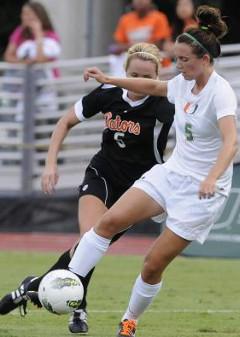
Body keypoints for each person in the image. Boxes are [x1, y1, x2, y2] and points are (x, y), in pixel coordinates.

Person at [64, 5, 237, 337]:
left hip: (202, 192)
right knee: (108, 222)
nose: (177, 65)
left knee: (153, 264)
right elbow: (155, 87)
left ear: (204, 59)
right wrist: (109, 80)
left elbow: (231, 143)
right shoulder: (183, 83)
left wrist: (212, 176)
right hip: (171, 173)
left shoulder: (221, 92)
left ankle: (129, 321)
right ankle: (68, 281)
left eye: (183, 59)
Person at [0, 42, 174, 334]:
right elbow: (65, 121)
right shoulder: (108, 94)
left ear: (158, 77)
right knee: (89, 239)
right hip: (101, 174)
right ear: (124, 72)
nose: (140, 82)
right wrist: (50, 164)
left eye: (148, 77)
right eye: (134, 74)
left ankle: (32, 287)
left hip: (139, 188)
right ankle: (78, 309)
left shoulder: (166, 105)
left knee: (91, 247)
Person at [2, 2, 61, 114]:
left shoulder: (51, 36)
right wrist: (24, 62)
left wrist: (38, 34)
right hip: (21, 85)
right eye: (23, 14)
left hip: (45, 87)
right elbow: (8, 56)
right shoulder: (20, 32)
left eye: (29, 14)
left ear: (39, 15)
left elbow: (40, 58)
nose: (25, 17)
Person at [109, 0, 171, 76]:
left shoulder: (159, 17)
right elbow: (118, 46)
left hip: (159, 68)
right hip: (134, 70)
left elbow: (159, 44)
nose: (139, 1)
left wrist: (130, 46)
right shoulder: (125, 19)